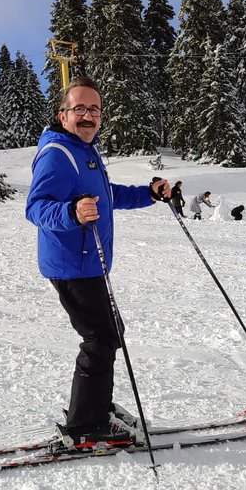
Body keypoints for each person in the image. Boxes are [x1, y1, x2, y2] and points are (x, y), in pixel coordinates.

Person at [25, 76, 171, 450]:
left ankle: (96, 407)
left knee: (109, 333)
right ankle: (84, 426)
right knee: (100, 338)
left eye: (94, 109)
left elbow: (107, 195)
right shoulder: (58, 153)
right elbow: (36, 208)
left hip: (90, 263)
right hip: (72, 265)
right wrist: (72, 212)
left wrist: (148, 195)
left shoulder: (84, 150)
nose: (87, 115)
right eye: (79, 109)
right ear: (62, 114)